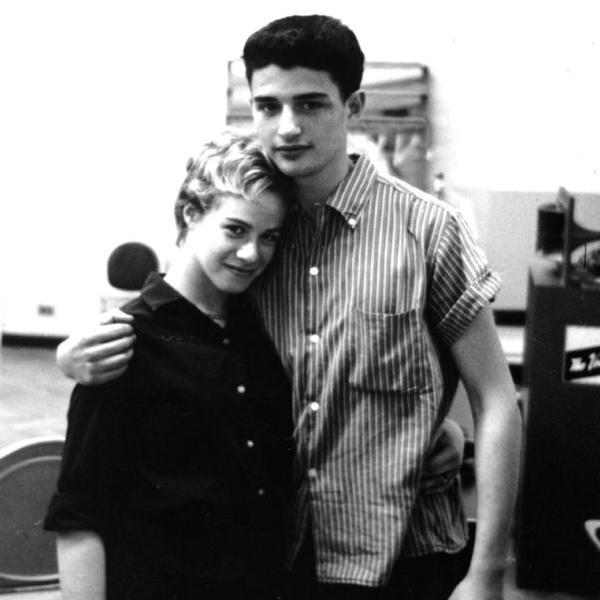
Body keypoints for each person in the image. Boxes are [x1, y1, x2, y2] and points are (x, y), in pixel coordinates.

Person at [56, 14, 522, 600]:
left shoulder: (428, 229)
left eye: (311, 104)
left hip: (408, 556)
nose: (287, 128)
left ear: (353, 107)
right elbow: (183, 324)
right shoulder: (257, 241)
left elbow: (497, 397)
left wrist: (488, 572)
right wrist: (75, 355)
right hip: (286, 560)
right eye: (268, 106)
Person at [44, 130, 295, 600]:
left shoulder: (260, 329)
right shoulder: (121, 342)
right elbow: (79, 516)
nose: (251, 254)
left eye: (269, 238)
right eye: (236, 229)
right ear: (191, 214)